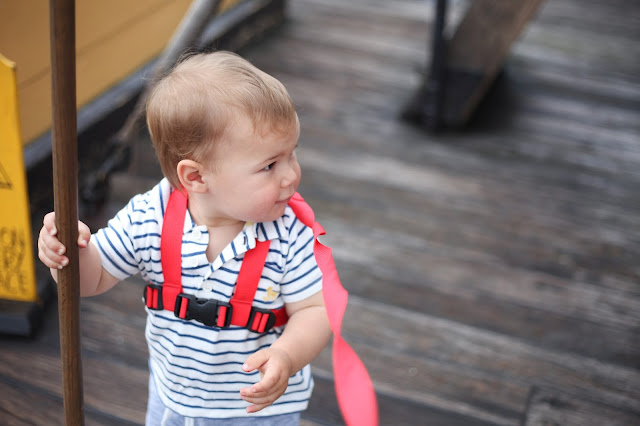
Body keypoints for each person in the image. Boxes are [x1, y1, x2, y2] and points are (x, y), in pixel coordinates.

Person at [38, 51, 332, 425]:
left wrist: (287, 356)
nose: (291, 175)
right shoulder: (150, 217)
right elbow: (90, 279)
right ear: (195, 177)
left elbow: (315, 311)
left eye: (292, 155)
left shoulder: (289, 232)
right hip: (174, 399)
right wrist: (68, 253)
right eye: (270, 165)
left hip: (257, 409)